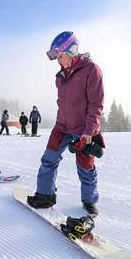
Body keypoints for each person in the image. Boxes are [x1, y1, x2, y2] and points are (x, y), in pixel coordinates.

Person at [27, 31, 105, 216]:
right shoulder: (60, 76)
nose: (58, 61)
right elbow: (62, 103)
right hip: (62, 126)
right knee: (48, 160)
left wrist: (88, 132)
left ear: (71, 51)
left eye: (60, 56)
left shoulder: (92, 70)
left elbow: (96, 104)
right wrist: (60, 122)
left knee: (85, 167)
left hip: (84, 129)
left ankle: (89, 201)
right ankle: (45, 196)